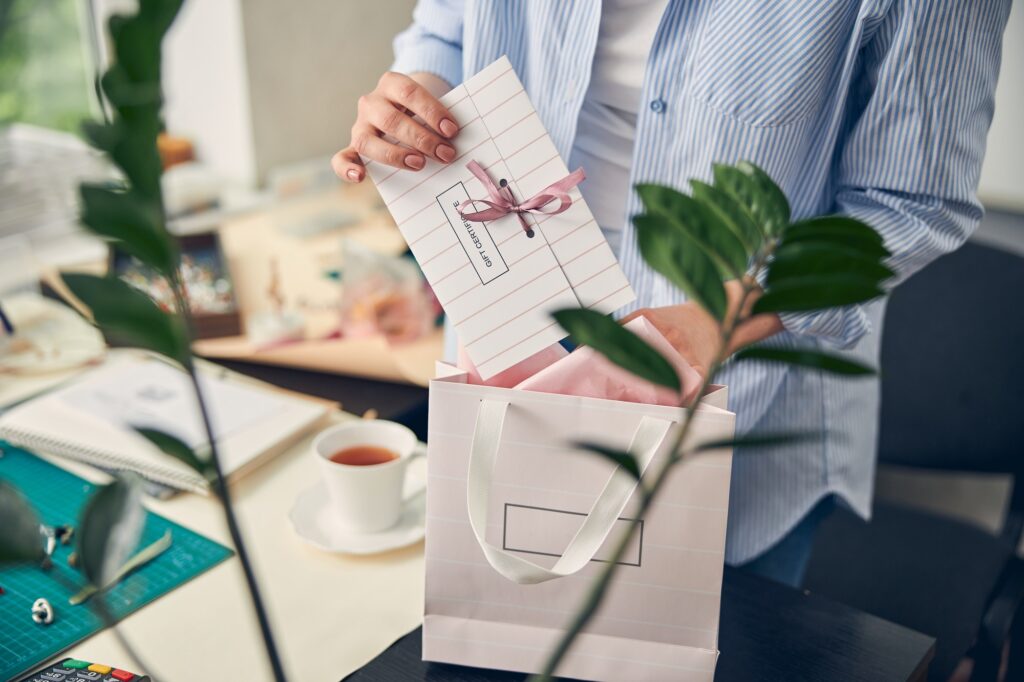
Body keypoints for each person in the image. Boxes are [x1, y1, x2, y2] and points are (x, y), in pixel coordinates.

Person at [332, 0, 1011, 587]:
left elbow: (914, 202)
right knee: (501, 625)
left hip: (738, 354)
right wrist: (417, 96)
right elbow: (449, 24)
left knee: (687, 641)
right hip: (509, 316)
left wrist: (724, 317)